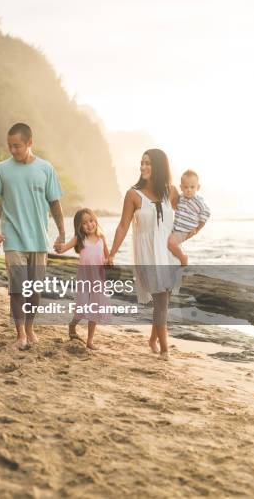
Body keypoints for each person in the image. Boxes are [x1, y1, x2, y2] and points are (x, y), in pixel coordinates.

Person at [0, 123, 65, 350]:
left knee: (35, 290)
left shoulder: (46, 169)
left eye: (17, 146)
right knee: (18, 289)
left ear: (30, 143)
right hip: (13, 238)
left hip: (39, 238)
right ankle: (20, 333)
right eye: (10, 146)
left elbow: (55, 203)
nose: (13, 150)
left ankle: (30, 327)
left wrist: (62, 233)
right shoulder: (1, 169)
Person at [108, 149, 179, 361]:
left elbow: (184, 217)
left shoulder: (172, 192)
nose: (143, 167)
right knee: (161, 301)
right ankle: (165, 350)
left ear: (159, 166)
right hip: (148, 254)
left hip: (168, 253)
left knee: (165, 298)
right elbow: (122, 226)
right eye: (142, 163)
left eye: (148, 163)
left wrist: (196, 228)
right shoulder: (133, 194)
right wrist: (111, 253)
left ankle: (152, 339)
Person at [55, 208, 111, 350]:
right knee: (82, 306)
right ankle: (73, 324)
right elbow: (63, 249)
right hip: (85, 278)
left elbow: (107, 257)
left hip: (98, 279)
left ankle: (90, 340)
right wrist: (58, 245)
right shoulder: (79, 239)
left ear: (95, 221)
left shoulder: (102, 238)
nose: (89, 225)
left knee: (95, 309)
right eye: (84, 223)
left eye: (91, 221)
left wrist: (109, 261)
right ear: (79, 226)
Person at [167, 170, 211, 265]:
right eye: (186, 187)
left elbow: (206, 214)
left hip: (185, 230)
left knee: (170, 243)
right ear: (181, 187)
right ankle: (174, 262)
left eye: (192, 187)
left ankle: (183, 258)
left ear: (198, 187)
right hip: (176, 228)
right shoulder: (181, 198)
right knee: (168, 243)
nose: (189, 190)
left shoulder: (198, 202)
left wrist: (197, 229)